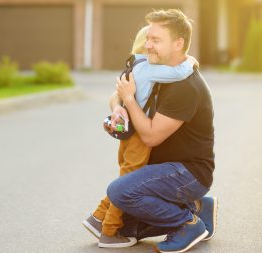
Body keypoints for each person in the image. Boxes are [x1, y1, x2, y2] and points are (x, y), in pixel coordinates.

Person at [106, 9, 218, 253]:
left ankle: (187, 224)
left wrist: (130, 101)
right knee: (126, 228)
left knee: (119, 192)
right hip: (160, 169)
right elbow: (118, 94)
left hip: (187, 172)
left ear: (179, 44)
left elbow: (150, 135)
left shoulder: (184, 87)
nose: (148, 46)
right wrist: (119, 108)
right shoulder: (157, 72)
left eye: (156, 40)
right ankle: (198, 207)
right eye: (148, 39)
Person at [82, 25, 198, 248]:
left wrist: (118, 106)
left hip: (129, 134)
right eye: (153, 41)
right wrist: (190, 61)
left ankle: (97, 218)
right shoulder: (148, 67)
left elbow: (116, 96)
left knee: (126, 176)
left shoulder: (133, 66)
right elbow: (179, 73)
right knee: (129, 183)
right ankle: (109, 231)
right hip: (138, 136)